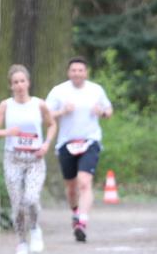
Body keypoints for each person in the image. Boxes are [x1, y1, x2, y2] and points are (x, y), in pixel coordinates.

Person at [0, 65, 56, 254]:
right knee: (17, 204)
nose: (19, 85)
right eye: (15, 82)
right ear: (11, 85)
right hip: (13, 158)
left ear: (28, 82)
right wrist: (8, 132)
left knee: (31, 199)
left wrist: (47, 144)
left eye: (22, 81)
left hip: (35, 159)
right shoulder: (6, 105)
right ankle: (21, 243)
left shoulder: (39, 104)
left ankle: (35, 229)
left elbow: (52, 124)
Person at [45, 57, 113, 243]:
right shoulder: (59, 91)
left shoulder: (96, 90)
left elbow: (108, 111)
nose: (77, 73)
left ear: (86, 72)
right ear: (69, 73)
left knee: (84, 181)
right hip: (66, 143)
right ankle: (75, 213)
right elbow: (45, 114)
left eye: (80, 70)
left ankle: (82, 222)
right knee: (71, 187)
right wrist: (62, 112)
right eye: (73, 70)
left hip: (90, 141)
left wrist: (103, 112)